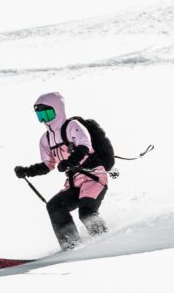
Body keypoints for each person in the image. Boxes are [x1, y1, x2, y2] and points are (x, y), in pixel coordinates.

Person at [15, 88, 111, 248]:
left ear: (58, 110)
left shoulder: (72, 126)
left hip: (94, 177)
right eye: (40, 116)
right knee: (54, 206)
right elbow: (47, 165)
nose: (45, 120)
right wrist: (27, 171)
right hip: (74, 183)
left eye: (47, 114)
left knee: (86, 213)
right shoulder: (46, 139)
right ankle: (71, 244)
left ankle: (104, 242)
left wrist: (71, 160)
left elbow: (84, 145)